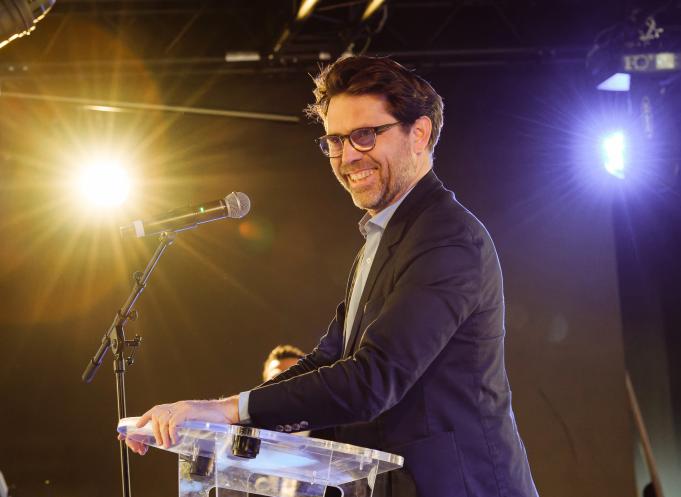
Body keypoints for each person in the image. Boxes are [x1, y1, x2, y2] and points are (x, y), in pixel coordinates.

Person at [123, 55, 539, 497]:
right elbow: (328, 360)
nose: (347, 157)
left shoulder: (448, 239)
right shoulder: (379, 242)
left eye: (364, 135)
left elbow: (371, 380)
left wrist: (228, 411)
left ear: (419, 133)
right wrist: (217, 414)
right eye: (335, 141)